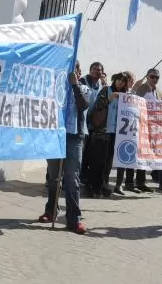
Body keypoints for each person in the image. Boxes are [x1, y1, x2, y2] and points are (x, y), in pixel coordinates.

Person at [38, 61, 90, 234]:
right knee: (53, 178)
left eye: (76, 69)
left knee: (72, 179)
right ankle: (51, 210)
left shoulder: (84, 88)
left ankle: (74, 219)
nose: (73, 72)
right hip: (55, 136)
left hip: (74, 137)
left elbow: (83, 105)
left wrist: (74, 85)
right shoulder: (54, 88)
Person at [128, 68, 160, 192]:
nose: (155, 79)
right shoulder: (142, 88)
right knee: (133, 152)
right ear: (147, 76)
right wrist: (135, 88)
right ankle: (129, 182)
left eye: (157, 77)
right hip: (138, 124)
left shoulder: (155, 91)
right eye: (152, 77)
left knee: (144, 154)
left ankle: (141, 181)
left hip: (148, 126)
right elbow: (132, 100)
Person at [78, 62, 105, 182]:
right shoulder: (83, 81)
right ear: (90, 70)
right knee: (79, 150)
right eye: (94, 69)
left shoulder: (100, 84)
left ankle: (82, 175)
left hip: (91, 123)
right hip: (80, 120)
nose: (96, 71)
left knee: (87, 151)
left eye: (99, 70)